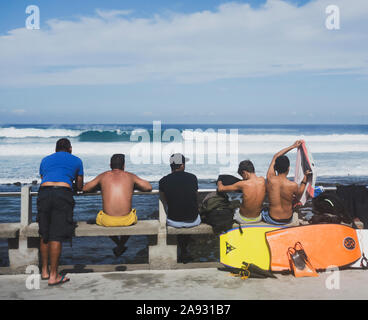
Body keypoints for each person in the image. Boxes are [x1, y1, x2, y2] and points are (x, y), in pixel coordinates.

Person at [82, 154, 152, 257]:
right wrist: (133, 185)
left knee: (101, 215)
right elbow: (148, 187)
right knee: (132, 214)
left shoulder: (104, 175)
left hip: (108, 221)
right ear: (124, 166)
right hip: (127, 220)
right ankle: (121, 244)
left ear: (110, 165)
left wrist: (100, 186)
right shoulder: (130, 176)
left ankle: (118, 244)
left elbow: (85, 188)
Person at [37, 138, 84, 286]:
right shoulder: (76, 160)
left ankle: (44, 271)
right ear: (70, 148)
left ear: (55, 149)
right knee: (56, 235)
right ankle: (54, 276)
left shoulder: (45, 160)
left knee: (44, 233)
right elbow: (80, 185)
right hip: (62, 194)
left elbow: (44, 178)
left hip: (44, 193)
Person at [159, 153, 200, 262]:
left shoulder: (163, 181)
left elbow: (166, 201)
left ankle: (183, 249)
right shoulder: (192, 177)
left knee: (177, 213)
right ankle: (184, 249)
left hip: (174, 221)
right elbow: (195, 198)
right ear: (182, 165)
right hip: (193, 220)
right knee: (192, 212)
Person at [264, 140, 311, 225]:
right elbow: (300, 194)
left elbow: (275, 156)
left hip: (272, 219)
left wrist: (292, 146)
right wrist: (305, 177)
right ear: (288, 168)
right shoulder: (293, 185)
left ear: (275, 168)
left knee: (263, 210)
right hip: (287, 219)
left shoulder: (270, 179)